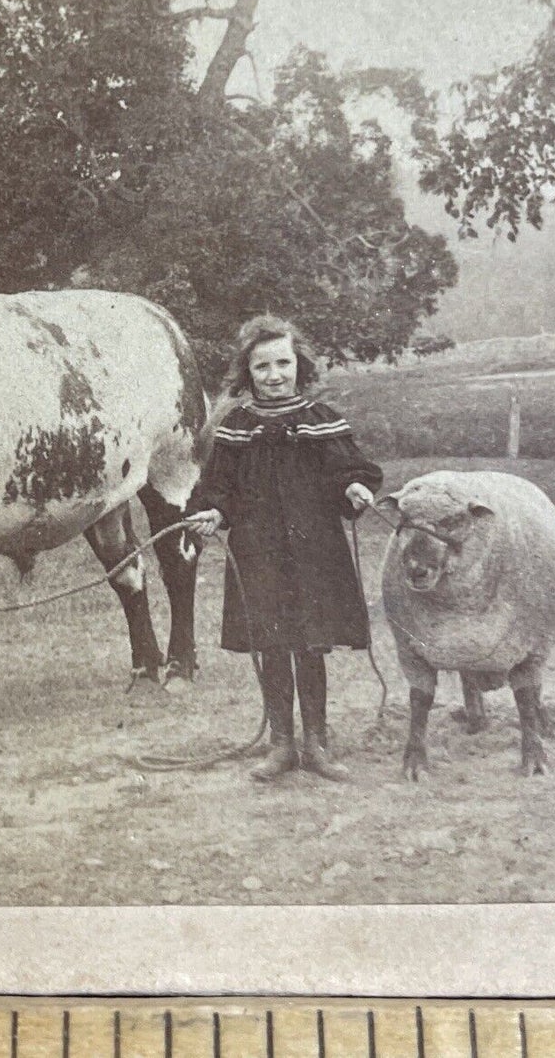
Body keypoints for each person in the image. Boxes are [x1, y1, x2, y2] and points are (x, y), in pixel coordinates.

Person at [185, 316, 383, 783]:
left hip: (316, 552)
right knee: (272, 644)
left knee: (311, 644)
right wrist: (213, 512)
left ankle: (316, 742)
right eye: (262, 367)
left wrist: (354, 487)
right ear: (247, 373)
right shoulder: (235, 426)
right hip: (259, 553)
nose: (273, 375)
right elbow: (219, 487)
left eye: (283, 363)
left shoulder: (322, 420)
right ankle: (281, 744)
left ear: (300, 365)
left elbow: (347, 470)